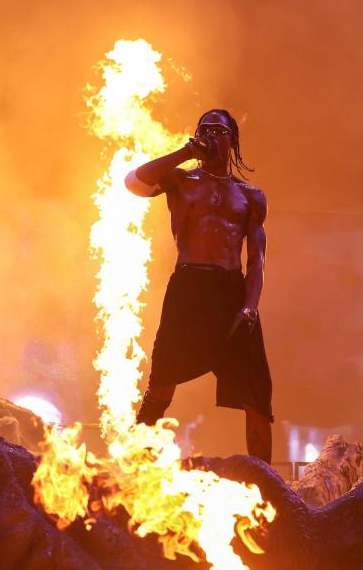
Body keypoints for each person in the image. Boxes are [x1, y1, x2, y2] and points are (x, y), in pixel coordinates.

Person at [124, 108, 273, 463]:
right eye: (204, 129)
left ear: (233, 140)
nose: (210, 135)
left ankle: (270, 489)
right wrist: (186, 152)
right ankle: (137, 474)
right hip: (189, 287)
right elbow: (134, 182)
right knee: (162, 381)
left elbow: (256, 261)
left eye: (218, 130)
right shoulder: (180, 181)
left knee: (257, 396)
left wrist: (249, 306)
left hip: (231, 290)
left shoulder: (250, 196)